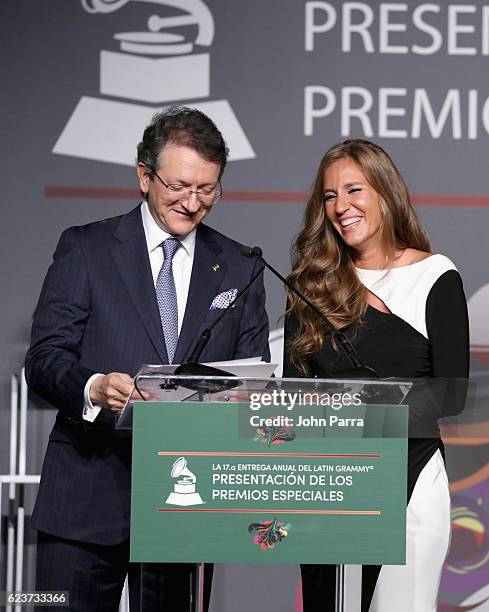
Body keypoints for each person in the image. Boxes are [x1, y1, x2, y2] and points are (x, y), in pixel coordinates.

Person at [25, 106, 270, 611]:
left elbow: (252, 376)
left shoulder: (240, 266)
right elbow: (45, 357)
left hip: (183, 505)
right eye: (180, 185)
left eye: (208, 189)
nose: (193, 202)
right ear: (144, 175)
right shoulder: (86, 248)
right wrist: (93, 387)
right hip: (85, 502)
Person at [283, 139, 469, 612]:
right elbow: (292, 396)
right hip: (327, 488)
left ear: (385, 192)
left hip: (409, 483)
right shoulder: (311, 286)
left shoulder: (434, 276)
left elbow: (451, 395)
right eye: (329, 196)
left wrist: (359, 404)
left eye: (353, 190)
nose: (341, 207)